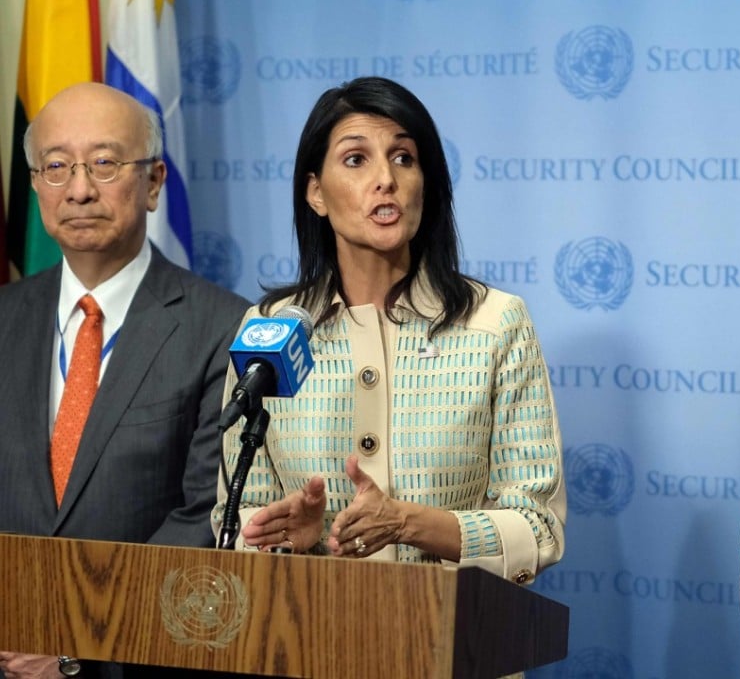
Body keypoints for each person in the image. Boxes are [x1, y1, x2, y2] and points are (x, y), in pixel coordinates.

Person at [212, 77, 566, 589]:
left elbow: (538, 528)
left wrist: (408, 524)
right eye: (356, 159)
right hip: (310, 645)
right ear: (316, 192)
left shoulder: (495, 323)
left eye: (403, 158)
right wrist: (295, 538)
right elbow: (237, 514)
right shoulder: (271, 329)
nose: (386, 179)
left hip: (451, 652)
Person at [0, 83, 249, 679]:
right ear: (35, 185)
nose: (80, 189)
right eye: (56, 167)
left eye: (105, 163)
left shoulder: (222, 326)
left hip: (137, 659)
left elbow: (205, 517)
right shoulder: (5, 319)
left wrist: (76, 645)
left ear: (155, 183)